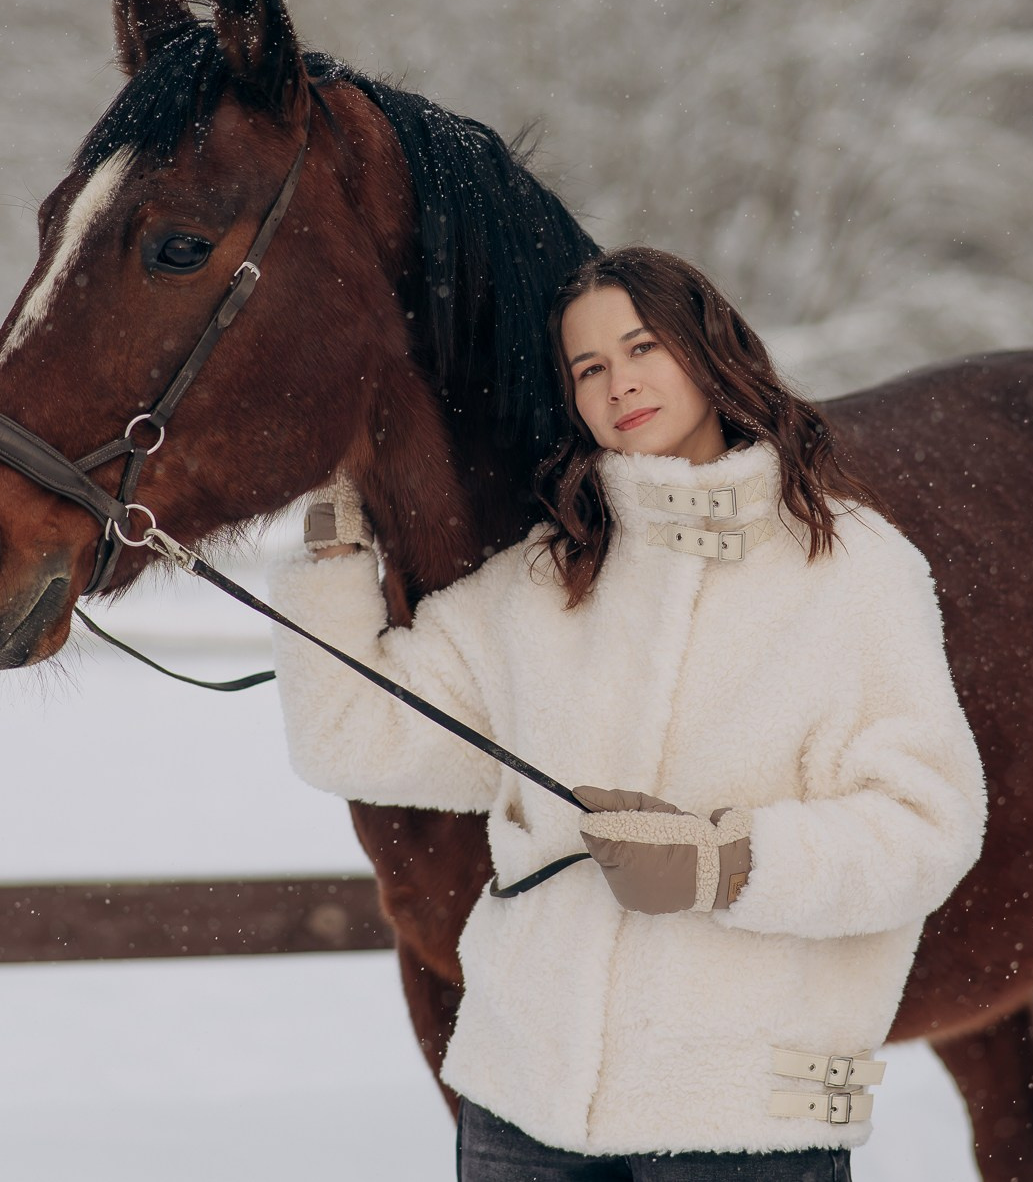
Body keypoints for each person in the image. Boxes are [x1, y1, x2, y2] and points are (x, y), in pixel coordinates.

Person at [270, 246, 987, 1180]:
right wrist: (331, 542)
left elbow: (928, 826)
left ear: (709, 349)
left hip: (742, 1121)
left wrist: (727, 863)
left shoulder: (854, 571)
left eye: (643, 347)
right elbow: (350, 734)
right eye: (589, 367)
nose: (620, 384)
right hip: (522, 1110)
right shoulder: (542, 580)